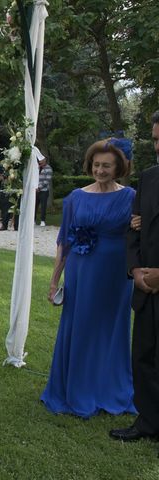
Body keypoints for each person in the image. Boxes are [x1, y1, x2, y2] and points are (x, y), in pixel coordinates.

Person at [41, 138, 136, 418]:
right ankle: (76, 387)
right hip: (82, 272)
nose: (100, 170)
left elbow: (140, 230)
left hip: (117, 274)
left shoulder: (130, 197)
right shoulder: (75, 197)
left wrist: (138, 223)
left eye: (106, 165)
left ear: (118, 167)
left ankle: (108, 386)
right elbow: (63, 243)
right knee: (80, 325)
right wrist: (54, 280)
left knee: (111, 329)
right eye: (96, 165)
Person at [110, 112, 159, 443]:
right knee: (143, 356)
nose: (158, 147)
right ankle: (148, 421)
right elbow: (134, 229)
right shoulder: (149, 178)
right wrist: (135, 269)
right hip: (145, 288)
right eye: (155, 139)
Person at [36, 150, 53, 227]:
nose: (40, 162)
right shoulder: (37, 168)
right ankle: (33, 220)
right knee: (35, 206)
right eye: (39, 160)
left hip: (44, 191)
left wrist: (39, 188)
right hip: (36, 190)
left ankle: (43, 221)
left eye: (42, 161)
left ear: (45, 161)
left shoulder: (48, 169)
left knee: (43, 206)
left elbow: (47, 180)